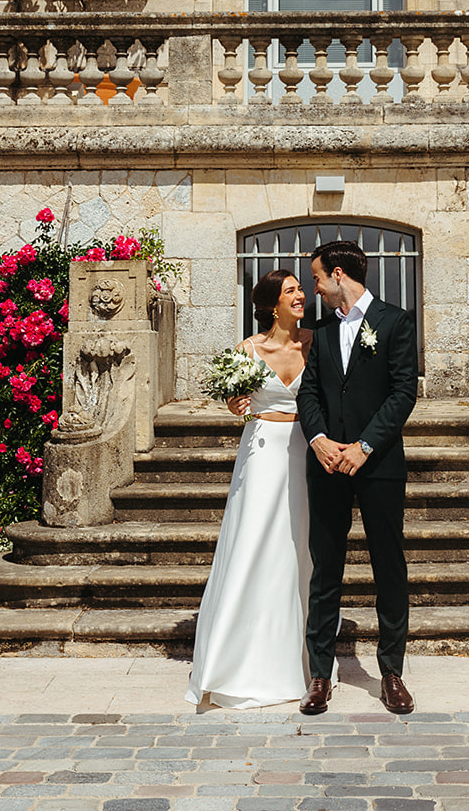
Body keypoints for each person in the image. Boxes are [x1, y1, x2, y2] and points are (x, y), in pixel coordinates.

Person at [295, 238, 419, 716]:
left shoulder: (395, 321)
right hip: (327, 465)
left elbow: (403, 392)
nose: (316, 286)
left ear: (340, 275)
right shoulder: (321, 332)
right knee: (325, 570)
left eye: (318, 277)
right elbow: (310, 394)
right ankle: (320, 676)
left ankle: (391, 672)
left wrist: (365, 446)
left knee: (389, 565)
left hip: (379, 464)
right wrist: (319, 440)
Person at [185, 270, 312, 709]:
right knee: (254, 545)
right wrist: (234, 403)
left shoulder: (315, 343)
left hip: (306, 451)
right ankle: (235, 661)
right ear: (271, 304)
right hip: (262, 453)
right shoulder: (248, 350)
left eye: (300, 288)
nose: (300, 295)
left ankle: (303, 659)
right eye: (291, 290)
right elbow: (233, 400)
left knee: (299, 552)